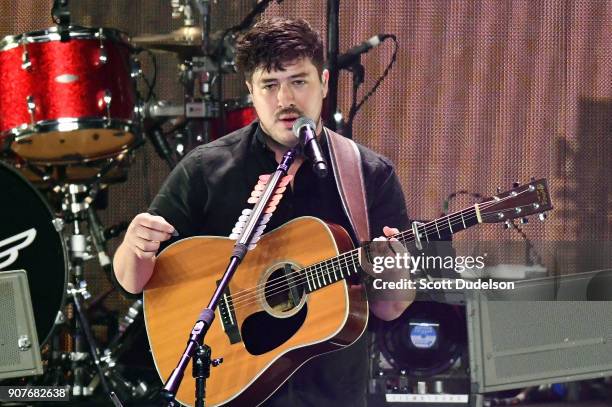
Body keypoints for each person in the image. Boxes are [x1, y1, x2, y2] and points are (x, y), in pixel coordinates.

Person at [113, 17, 413, 406]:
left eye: (299, 81)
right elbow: (132, 280)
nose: (285, 98)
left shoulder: (368, 174)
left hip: (332, 394)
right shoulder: (206, 168)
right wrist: (134, 248)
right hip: (228, 384)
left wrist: (394, 271)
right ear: (251, 91)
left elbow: (391, 308)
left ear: (324, 82)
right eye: (270, 85)